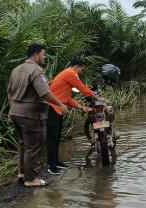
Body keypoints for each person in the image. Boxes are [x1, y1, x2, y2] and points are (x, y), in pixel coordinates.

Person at [8, 43, 69, 187]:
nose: (45, 57)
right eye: (43, 54)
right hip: (31, 115)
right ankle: (30, 179)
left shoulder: (16, 69)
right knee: (34, 145)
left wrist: (11, 109)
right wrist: (60, 104)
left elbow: (9, 92)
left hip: (16, 113)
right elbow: (45, 93)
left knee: (23, 143)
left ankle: (22, 172)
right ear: (36, 55)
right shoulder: (36, 70)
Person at [46, 58, 106, 175]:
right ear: (76, 67)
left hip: (57, 109)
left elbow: (67, 99)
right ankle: (51, 167)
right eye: (82, 70)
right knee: (53, 138)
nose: (81, 72)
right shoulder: (71, 73)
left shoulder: (66, 75)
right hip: (52, 108)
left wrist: (81, 107)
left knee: (57, 137)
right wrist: (97, 98)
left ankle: (55, 162)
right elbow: (83, 88)